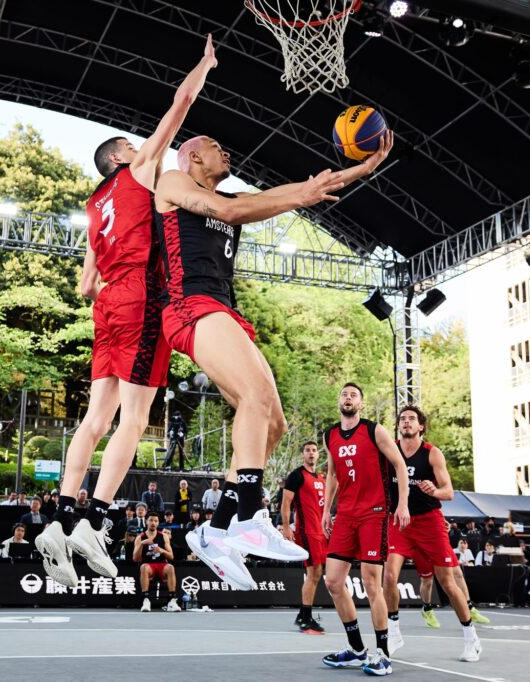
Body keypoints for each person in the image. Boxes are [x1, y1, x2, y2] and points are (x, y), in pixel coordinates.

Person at [162, 133, 393, 585]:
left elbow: (293, 193)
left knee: (273, 424)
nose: (226, 150)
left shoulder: (232, 198)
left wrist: (360, 170)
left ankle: (216, 530)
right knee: (255, 396)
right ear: (193, 156)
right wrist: (301, 195)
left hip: (222, 310)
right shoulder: (173, 181)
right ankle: (251, 514)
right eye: (215, 145)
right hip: (191, 304)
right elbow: (229, 212)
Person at [35, 34, 219, 589]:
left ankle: (59, 518)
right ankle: (96, 520)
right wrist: (204, 64)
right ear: (119, 156)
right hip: (141, 294)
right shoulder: (138, 170)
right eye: (132, 145)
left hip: (110, 302)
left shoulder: (95, 206)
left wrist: (110, 273)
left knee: (95, 419)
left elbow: (85, 284)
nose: (142, 147)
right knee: (135, 419)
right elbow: (179, 106)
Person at [320, 384, 410, 675]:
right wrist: (326, 510)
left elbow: (399, 465)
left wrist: (403, 504)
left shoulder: (374, 431)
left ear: (361, 403)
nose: (348, 398)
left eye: (353, 395)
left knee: (372, 584)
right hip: (345, 515)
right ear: (339, 400)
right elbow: (332, 474)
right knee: (333, 582)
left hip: (374, 513)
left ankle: (383, 653)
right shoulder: (330, 435)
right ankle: (357, 649)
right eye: (344, 394)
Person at [383, 406, 483, 663]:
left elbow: (448, 491)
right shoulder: (390, 450)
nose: (406, 422)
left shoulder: (432, 453)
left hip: (429, 522)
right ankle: (393, 632)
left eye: (411, 419)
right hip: (400, 520)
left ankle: (471, 637)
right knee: (389, 575)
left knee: (447, 582)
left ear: (421, 426)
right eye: (402, 419)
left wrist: (434, 491)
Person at [280, 440, 328, 634]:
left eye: (314, 450)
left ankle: (303, 615)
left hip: (320, 531)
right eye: (307, 450)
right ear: (303, 454)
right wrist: (286, 526)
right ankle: (305, 619)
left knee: (317, 573)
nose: (311, 453)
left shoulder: (321, 478)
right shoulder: (297, 475)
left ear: (318, 454)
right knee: (313, 571)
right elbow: (286, 503)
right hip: (306, 531)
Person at [133, 512, 180, 612]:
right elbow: (135, 558)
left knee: (170, 567)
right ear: (146, 522)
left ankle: (172, 601)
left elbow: (171, 556)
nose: (153, 523)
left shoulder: (164, 536)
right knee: (144, 567)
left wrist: (161, 550)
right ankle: (146, 600)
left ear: (158, 523)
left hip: (162, 564)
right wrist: (142, 544)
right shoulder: (140, 537)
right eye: (151, 520)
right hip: (148, 565)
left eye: (155, 521)